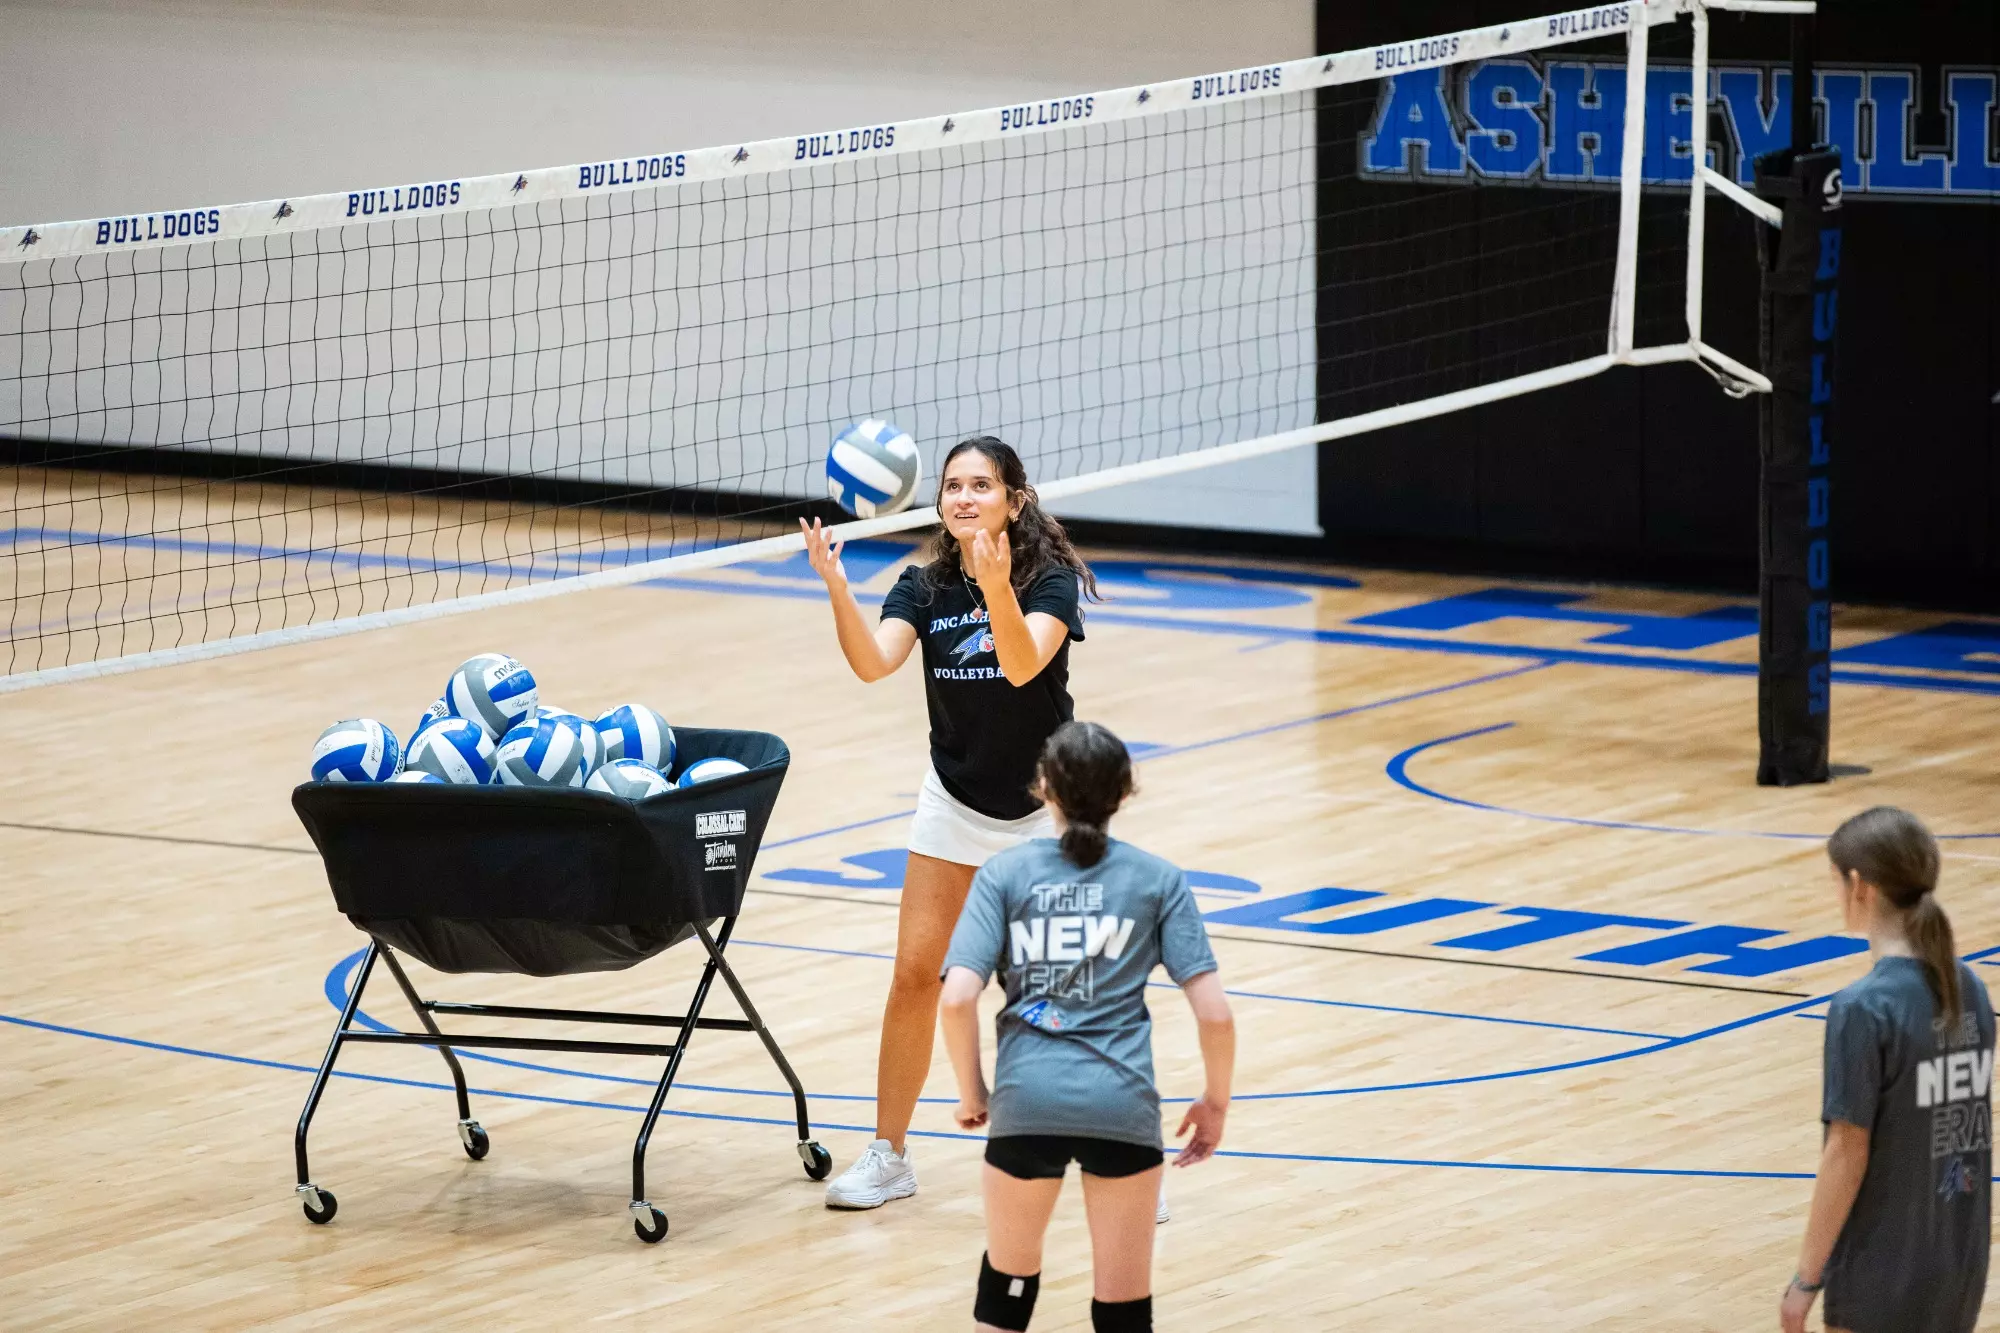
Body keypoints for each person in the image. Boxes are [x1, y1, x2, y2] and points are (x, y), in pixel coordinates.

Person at [802, 435, 1097, 1209]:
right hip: (955, 798)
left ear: (1014, 501)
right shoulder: (923, 586)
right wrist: (837, 588)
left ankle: (1115, 1158)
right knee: (914, 974)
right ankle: (888, 1155)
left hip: (1043, 810)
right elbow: (873, 663)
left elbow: (1023, 665)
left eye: (981, 485)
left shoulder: (1049, 580)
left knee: (1061, 991)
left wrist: (997, 586)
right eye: (953, 486)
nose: (964, 497)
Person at [937, 721, 1235, 1333]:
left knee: (1005, 1297)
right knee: (1123, 1314)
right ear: (1124, 792)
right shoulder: (1158, 880)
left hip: (1027, 1101)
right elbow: (1216, 1014)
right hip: (1121, 1104)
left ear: (1043, 788)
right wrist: (1215, 1102)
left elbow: (957, 998)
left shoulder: (1004, 875)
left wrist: (974, 1094)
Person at [1780, 806, 1993, 1333]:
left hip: (1880, 1271)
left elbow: (1847, 1152)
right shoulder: (1970, 989)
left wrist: (1806, 1279)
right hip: (1958, 1265)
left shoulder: (1863, 1007)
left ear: (1860, 886)